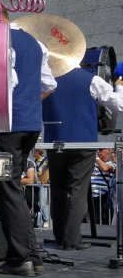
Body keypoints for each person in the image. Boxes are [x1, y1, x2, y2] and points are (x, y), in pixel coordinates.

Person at [0, 0, 57, 276]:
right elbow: (49, 85)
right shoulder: (35, 43)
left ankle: (19, 258)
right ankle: (32, 255)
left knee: (6, 189)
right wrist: (26, 104)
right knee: (15, 189)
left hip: (6, 124)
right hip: (30, 123)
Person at [41, 61, 123, 249]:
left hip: (54, 140)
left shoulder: (46, 79)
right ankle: (72, 240)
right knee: (77, 190)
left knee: (59, 189)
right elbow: (118, 104)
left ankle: (60, 236)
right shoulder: (91, 79)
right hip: (83, 142)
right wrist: (119, 86)